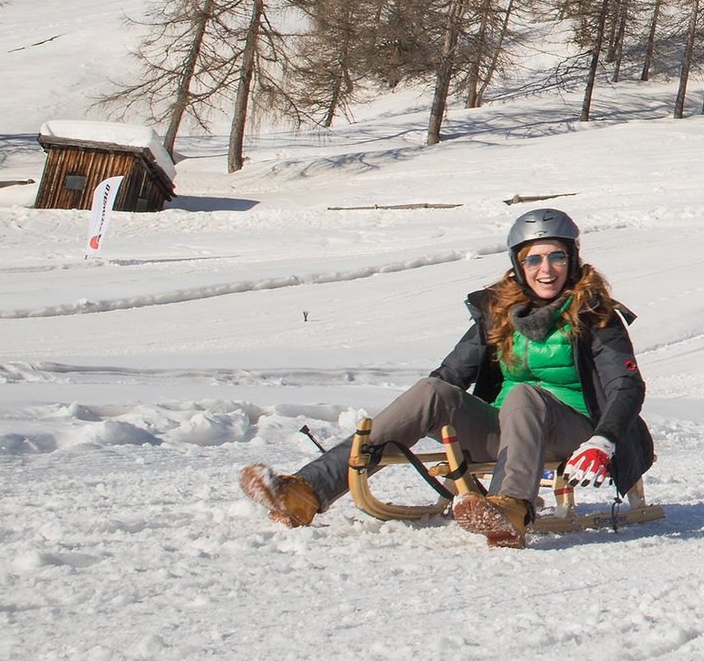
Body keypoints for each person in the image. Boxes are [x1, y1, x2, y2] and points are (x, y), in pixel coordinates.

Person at [238, 209, 654, 548]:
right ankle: (307, 491)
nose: (546, 269)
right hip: (506, 432)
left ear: (573, 259)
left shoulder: (596, 314)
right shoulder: (498, 313)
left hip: (576, 433)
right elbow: (451, 375)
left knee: (526, 395)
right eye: (534, 258)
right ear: (518, 264)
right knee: (431, 391)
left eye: (556, 256)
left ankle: (510, 507)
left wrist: (603, 439)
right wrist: (417, 414)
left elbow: (625, 386)